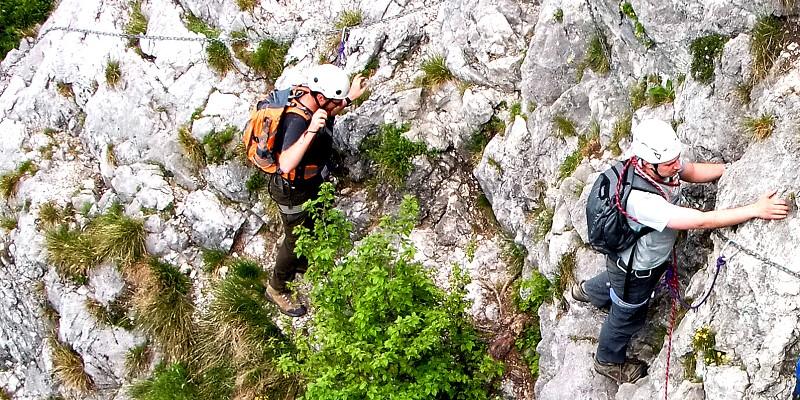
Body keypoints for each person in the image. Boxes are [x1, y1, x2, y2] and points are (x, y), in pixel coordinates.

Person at [571, 118, 789, 383]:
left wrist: (731, 169)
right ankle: (606, 360)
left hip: (630, 260)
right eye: (670, 163)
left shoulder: (652, 165)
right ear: (647, 162)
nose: (676, 166)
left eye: (676, 159)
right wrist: (755, 210)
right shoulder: (642, 200)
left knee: (619, 284)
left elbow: (691, 170)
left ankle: (586, 291)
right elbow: (700, 221)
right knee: (628, 313)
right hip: (637, 268)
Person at [263, 64, 368, 317]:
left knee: (311, 222)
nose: (337, 106)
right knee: (294, 238)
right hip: (291, 188)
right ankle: (276, 288)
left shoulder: (316, 101)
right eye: (335, 102)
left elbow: (331, 109)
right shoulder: (298, 120)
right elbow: (286, 163)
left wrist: (350, 97)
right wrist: (311, 130)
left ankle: (302, 262)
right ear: (321, 98)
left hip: (309, 183)